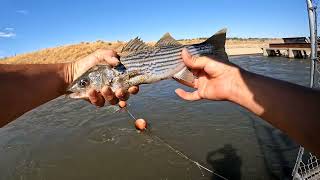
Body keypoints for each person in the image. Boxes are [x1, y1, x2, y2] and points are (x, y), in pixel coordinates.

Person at [0, 48, 319, 156]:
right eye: (81, 84)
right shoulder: (100, 80)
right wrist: (234, 84)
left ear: (100, 80)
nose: (80, 88)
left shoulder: (109, 74)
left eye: (84, 83)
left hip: (168, 59)